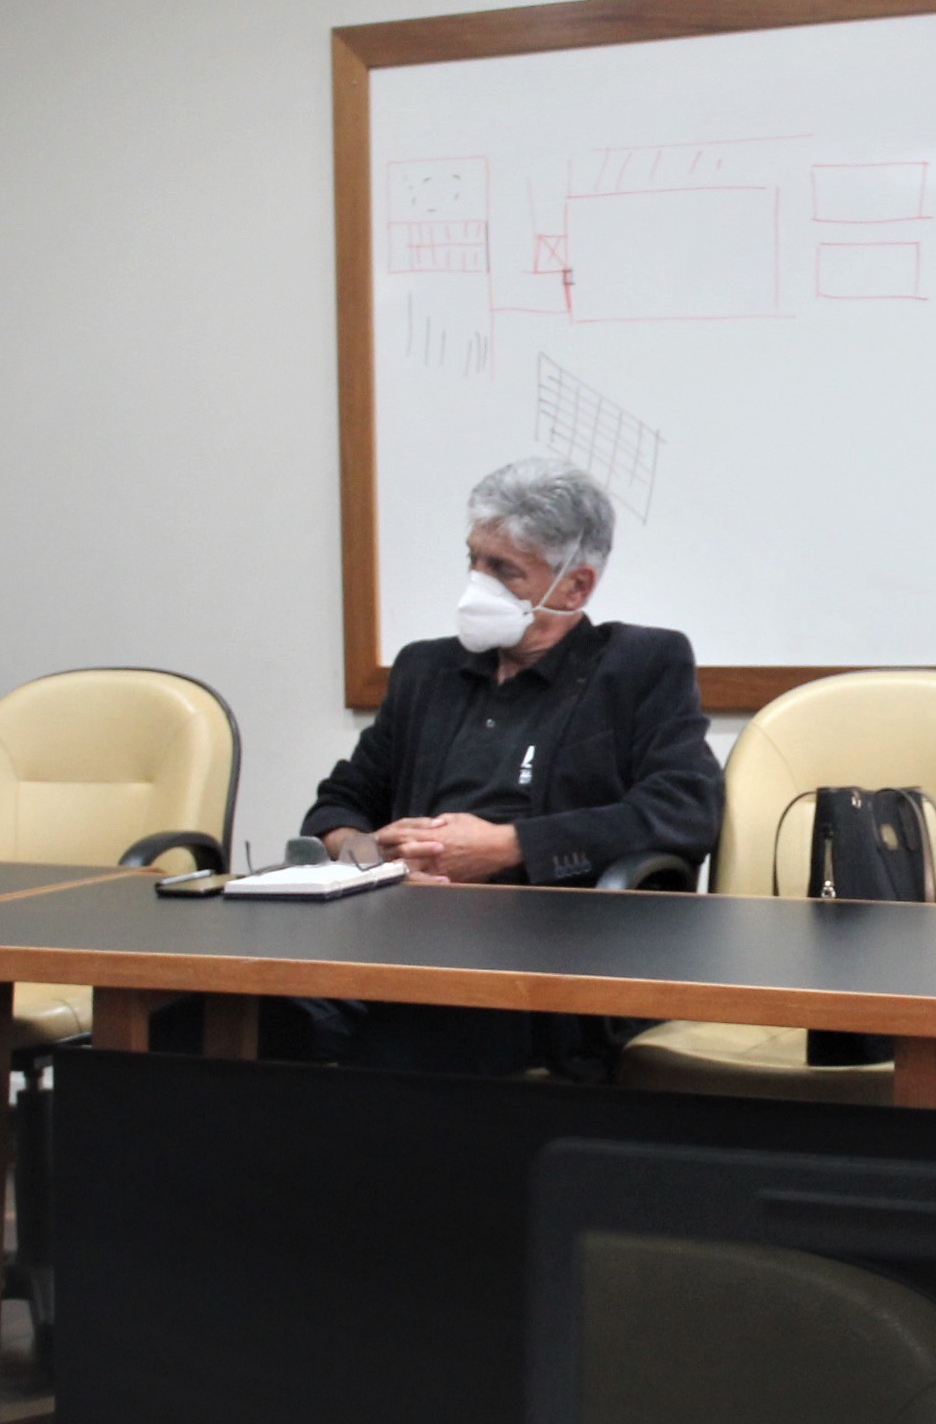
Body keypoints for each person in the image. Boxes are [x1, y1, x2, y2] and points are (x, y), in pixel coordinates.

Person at [277, 458, 721, 1078]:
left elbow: (684, 810)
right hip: (400, 934)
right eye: (474, 560)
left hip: (551, 951)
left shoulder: (640, 665)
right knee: (235, 1008)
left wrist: (508, 847)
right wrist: (368, 853)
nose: (477, 582)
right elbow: (337, 802)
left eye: (503, 569)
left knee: (398, 1035)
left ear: (575, 587)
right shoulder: (426, 670)